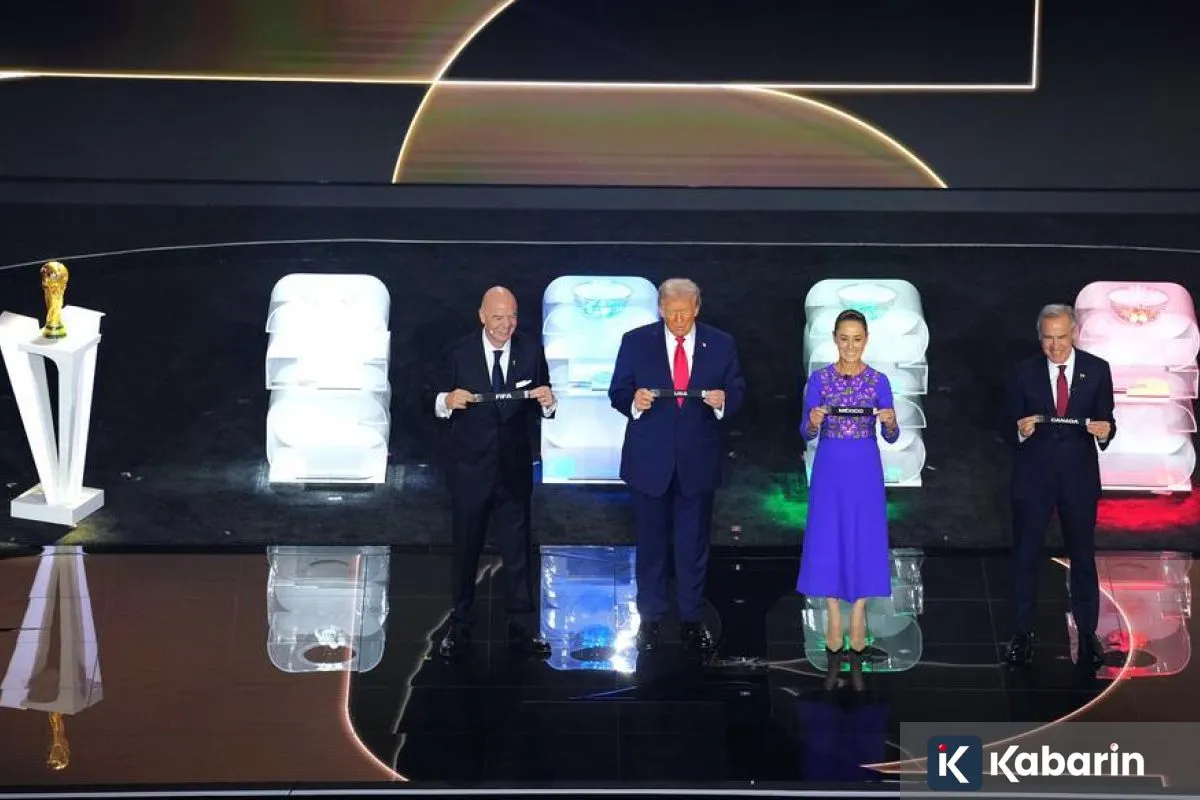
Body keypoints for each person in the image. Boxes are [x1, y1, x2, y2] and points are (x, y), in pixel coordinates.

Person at [608, 278, 746, 653]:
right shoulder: (636, 342)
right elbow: (618, 391)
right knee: (650, 545)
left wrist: (722, 400)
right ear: (660, 309)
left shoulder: (721, 343)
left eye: (685, 312)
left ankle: (690, 618)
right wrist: (634, 401)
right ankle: (650, 620)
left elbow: (737, 390)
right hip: (649, 461)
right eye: (671, 313)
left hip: (697, 461)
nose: (679, 320)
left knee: (692, 545)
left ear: (697, 308)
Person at [430, 286, 556, 660]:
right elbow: (425, 396)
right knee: (466, 549)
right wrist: (445, 400)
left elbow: (542, 400)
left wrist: (548, 403)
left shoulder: (531, 350)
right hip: (470, 470)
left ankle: (522, 627)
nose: (506, 325)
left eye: (512, 316)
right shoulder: (458, 353)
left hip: (514, 471)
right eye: (498, 317)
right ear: (482, 316)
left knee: (518, 551)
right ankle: (459, 624)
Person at [1004, 303, 1115, 671]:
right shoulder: (1023, 372)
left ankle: (1088, 633)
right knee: (1025, 557)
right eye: (1048, 338)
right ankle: (1022, 634)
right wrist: (1020, 430)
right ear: (1040, 337)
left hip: (1078, 480)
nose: (1055, 346)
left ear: (1075, 333)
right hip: (1033, 479)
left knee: (1082, 557)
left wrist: (1105, 432)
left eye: (1062, 337)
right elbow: (1006, 424)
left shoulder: (1097, 370)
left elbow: (1107, 421)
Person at [797, 309, 899, 692]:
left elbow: (892, 435)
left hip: (864, 468)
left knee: (862, 538)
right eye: (844, 338)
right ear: (834, 339)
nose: (850, 346)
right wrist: (813, 420)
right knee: (829, 538)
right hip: (830, 468)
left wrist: (890, 421)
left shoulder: (879, 381)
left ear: (866, 339)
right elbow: (805, 431)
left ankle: (858, 615)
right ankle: (832, 616)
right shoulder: (819, 380)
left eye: (857, 339)